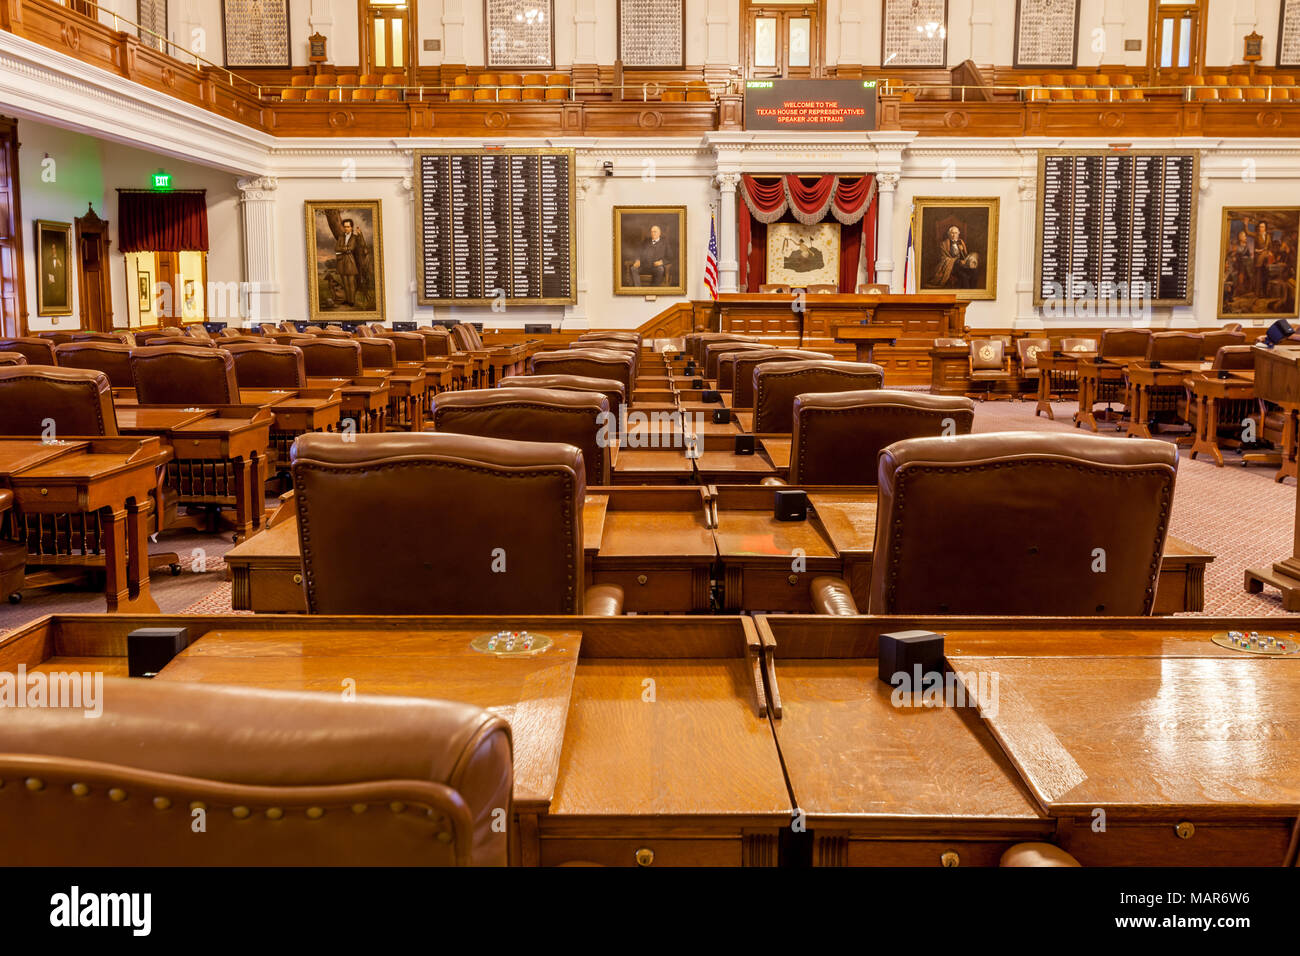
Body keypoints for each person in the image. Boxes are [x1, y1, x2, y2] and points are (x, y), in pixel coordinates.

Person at [931, 225, 978, 289]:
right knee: (964, 276)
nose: (954, 235)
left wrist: (963, 251)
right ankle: (966, 294)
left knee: (974, 271)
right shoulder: (944, 244)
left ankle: (973, 293)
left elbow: (965, 255)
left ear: (958, 234)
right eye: (952, 233)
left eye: (956, 233)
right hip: (952, 267)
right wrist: (957, 261)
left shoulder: (961, 242)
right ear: (949, 234)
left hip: (963, 264)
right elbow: (943, 258)